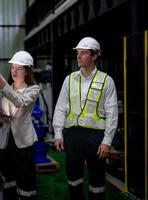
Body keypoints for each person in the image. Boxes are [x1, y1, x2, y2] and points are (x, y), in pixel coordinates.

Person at [52, 37, 118, 200]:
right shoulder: (69, 79)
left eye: (83, 53)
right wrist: (58, 134)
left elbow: (112, 112)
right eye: (77, 53)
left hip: (96, 137)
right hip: (73, 136)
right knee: (73, 178)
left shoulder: (106, 80)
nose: (78, 56)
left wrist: (107, 141)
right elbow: (60, 108)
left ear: (94, 56)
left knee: (97, 180)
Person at [0, 51, 40, 200]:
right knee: (7, 180)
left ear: (27, 71)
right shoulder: (6, 89)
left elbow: (20, 101)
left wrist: (1, 81)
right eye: (12, 68)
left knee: (26, 181)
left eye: (19, 68)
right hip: (5, 141)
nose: (14, 71)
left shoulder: (33, 89)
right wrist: (0, 119)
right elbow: (2, 110)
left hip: (23, 142)